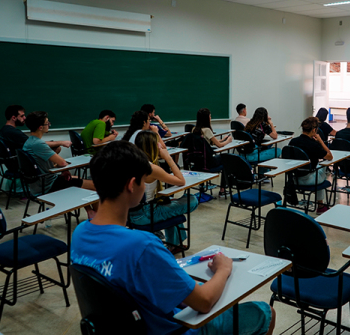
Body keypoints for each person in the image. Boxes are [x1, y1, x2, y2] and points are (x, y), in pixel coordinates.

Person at [71, 140, 276, 335]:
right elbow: (203, 302)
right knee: (265, 312)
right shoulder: (142, 246)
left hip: (126, 326)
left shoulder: (80, 233)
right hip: (171, 329)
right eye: (144, 180)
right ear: (132, 185)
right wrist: (223, 270)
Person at [129, 131, 198, 250]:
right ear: (152, 146)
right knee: (191, 200)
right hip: (146, 214)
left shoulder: (131, 162)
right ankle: (174, 245)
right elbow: (181, 181)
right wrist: (168, 158)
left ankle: (175, 244)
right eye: (158, 144)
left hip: (130, 214)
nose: (160, 146)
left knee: (171, 205)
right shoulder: (151, 168)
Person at [22, 111, 96, 216]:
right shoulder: (38, 144)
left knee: (76, 180)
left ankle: (90, 212)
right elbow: (62, 162)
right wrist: (64, 170)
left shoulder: (29, 141)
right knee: (95, 186)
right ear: (40, 127)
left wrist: (63, 171)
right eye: (47, 123)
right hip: (48, 185)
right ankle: (96, 216)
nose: (49, 125)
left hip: (39, 183)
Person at [289, 117, 333, 214]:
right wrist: (321, 141)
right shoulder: (313, 144)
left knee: (316, 168)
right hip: (309, 180)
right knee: (323, 165)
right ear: (314, 130)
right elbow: (329, 156)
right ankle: (320, 206)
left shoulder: (293, 142)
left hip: (294, 179)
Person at [191, 108, 232, 197]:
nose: (211, 117)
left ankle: (202, 187)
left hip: (198, 162)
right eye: (210, 116)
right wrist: (228, 140)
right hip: (208, 163)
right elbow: (219, 146)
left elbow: (210, 142)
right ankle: (222, 190)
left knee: (223, 158)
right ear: (207, 118)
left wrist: (222, 139)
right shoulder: (207, 130)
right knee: (226, 159)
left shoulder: (194, 129)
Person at [0, 105, 70, 152]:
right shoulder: (13, 132)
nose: (25, 118)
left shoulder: (3, 130)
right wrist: (61, 142)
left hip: (13, 163)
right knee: (56, 148)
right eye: (22, 116)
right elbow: (35, 144)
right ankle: (48, 172)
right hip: (23, 165)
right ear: (13, 118)